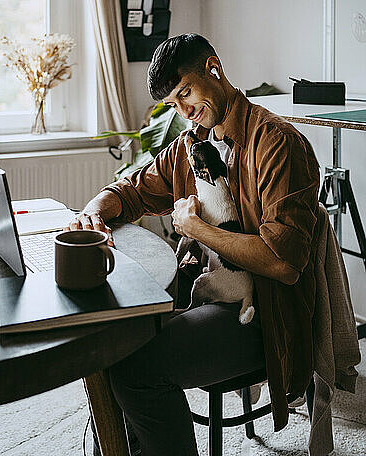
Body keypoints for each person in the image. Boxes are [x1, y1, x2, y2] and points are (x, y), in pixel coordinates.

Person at [67, 33, 320, 456]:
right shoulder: (190, 145)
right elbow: (130, 191)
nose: (185, 111)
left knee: (136, 367)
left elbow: (283, 262)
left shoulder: (277, 143)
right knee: (110, 343)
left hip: (264, 317)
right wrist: (94, 208)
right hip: (203, 295)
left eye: (186, 93)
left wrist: (195, 227)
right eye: (173, 105)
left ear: (213, 69)